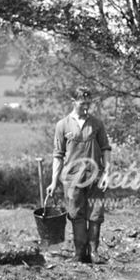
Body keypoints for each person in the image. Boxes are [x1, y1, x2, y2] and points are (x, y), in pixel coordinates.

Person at [47, 87, 111, 263]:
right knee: (76, 214)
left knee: (96, 214)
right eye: (82, 103)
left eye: (88, 103)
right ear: (73, 101)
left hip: (95, 176)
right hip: (72, 178)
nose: (86, 107)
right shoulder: (62, 125)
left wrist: (107, 172)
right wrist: (53, 182)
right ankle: (79, 253)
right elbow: (57, 156)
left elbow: (106, 149)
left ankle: (94, 253)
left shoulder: (97, 124)